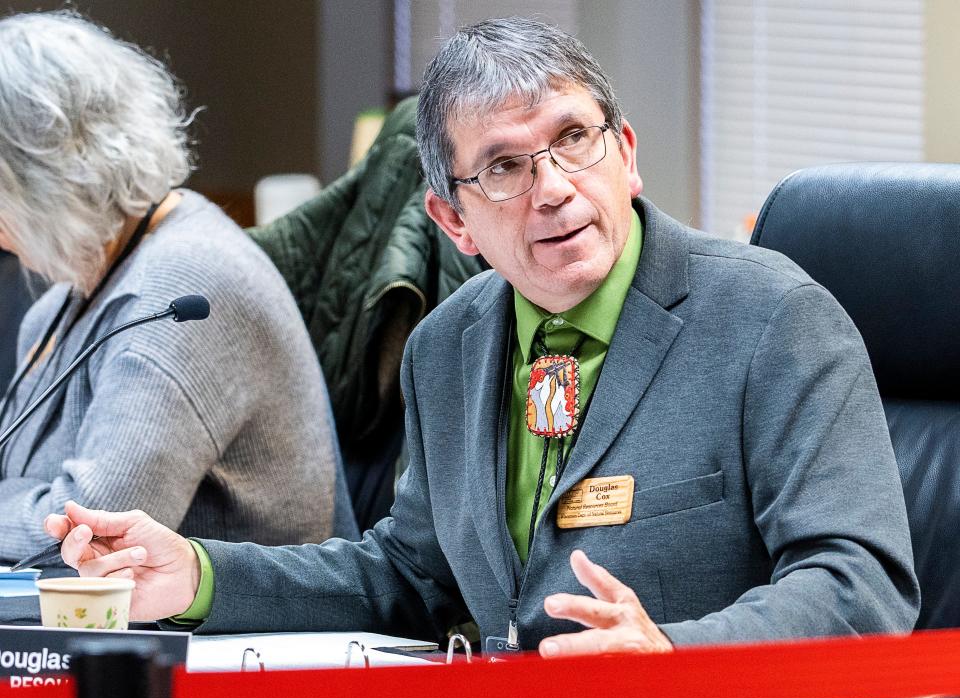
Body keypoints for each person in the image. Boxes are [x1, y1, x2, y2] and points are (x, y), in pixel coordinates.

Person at [48, 18, 917, 660]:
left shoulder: (772, 319)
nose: (553, 188)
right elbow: (411, 578)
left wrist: (674, 657)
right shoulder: (448, 347)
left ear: (627, 154)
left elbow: (860, 589)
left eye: (575, 140)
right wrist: (196, 574)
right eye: (504, 166)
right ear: (452, 219)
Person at [0, 11, 356, 563]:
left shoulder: (186, 289)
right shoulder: (58, 304)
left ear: (49, 177)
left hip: (244, 641)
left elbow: (94, 537)